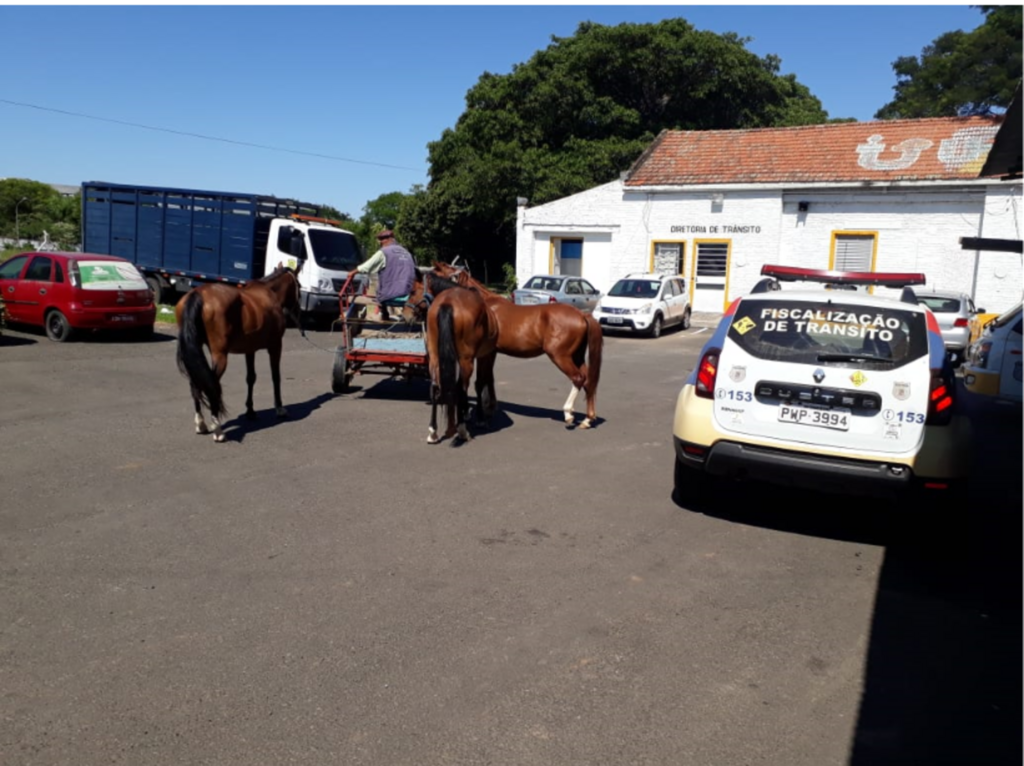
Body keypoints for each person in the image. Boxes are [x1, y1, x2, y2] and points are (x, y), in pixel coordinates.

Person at [347, 230, 417, 323]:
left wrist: (352, 272)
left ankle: (385, 314)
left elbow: (367, 267)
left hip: (391, 295)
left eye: (381, 239)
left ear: (389, 239)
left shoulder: (384, 252)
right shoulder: (407, 253)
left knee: (379, 290)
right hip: (409, 294)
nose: (380, 242)